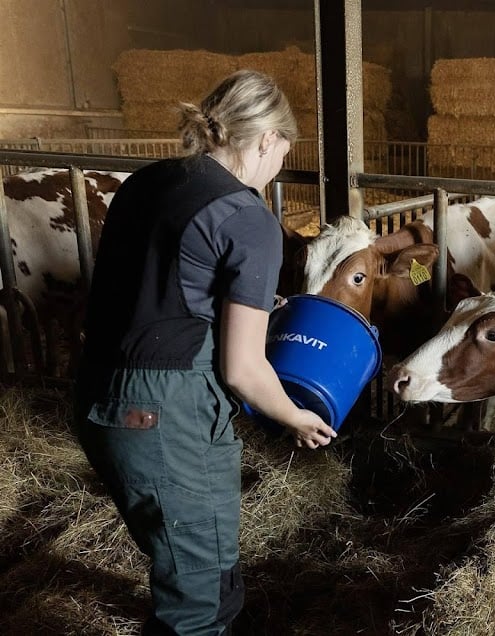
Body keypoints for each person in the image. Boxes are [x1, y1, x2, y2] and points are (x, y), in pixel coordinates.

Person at [74, 69, 337, 635]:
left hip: (98, 397)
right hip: (166, 416)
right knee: (200, 599)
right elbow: (242, 371)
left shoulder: (144, 183)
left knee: (192, 561)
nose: (273, 176)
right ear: (267, 140)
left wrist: (251, 298)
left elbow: (163, 285)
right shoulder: (249, 218)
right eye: (280, 158)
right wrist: (294, 416)